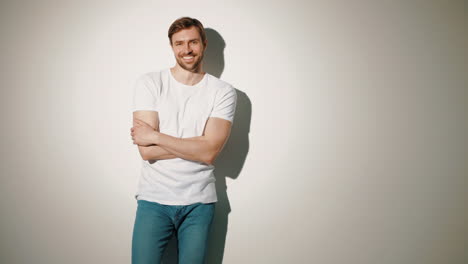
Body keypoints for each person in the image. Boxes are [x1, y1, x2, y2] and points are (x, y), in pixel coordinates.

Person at [129, 17, 237, 264]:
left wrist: (155, 136)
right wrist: (199, 143)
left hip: (199, 203)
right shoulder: (150, 83)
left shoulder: (223, 91)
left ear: (204, 44)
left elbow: (209, 153)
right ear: (171, 46)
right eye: (179, 43)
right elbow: (146, 153)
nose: (186, 49)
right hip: (153, 199)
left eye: (193, 42)